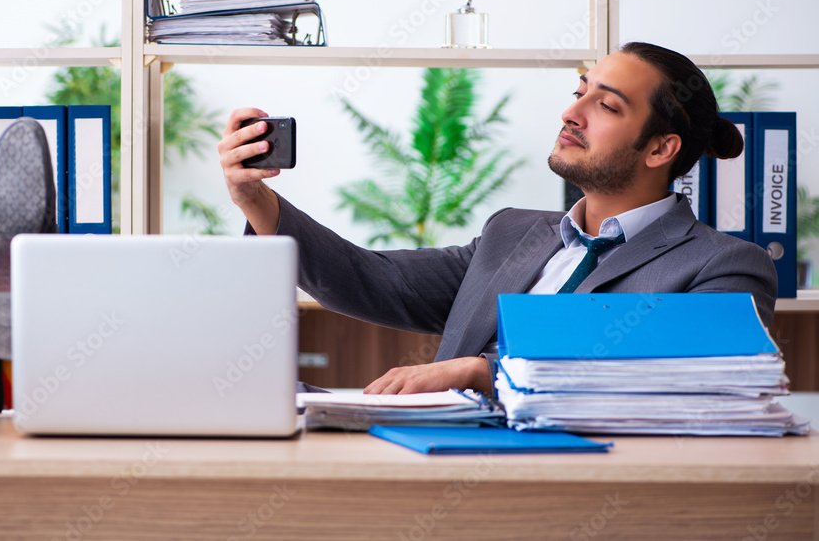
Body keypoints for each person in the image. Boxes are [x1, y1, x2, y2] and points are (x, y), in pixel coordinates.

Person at [217, 42, 778, 395]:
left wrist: (484, 373)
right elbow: (369, 279)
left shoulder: (724, 265)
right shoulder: (511, 233)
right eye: (579, 92)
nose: (571, 112)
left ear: (660, 148)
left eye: (606, 105)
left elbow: (675, 383)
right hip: (436, 469)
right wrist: (253, 198)